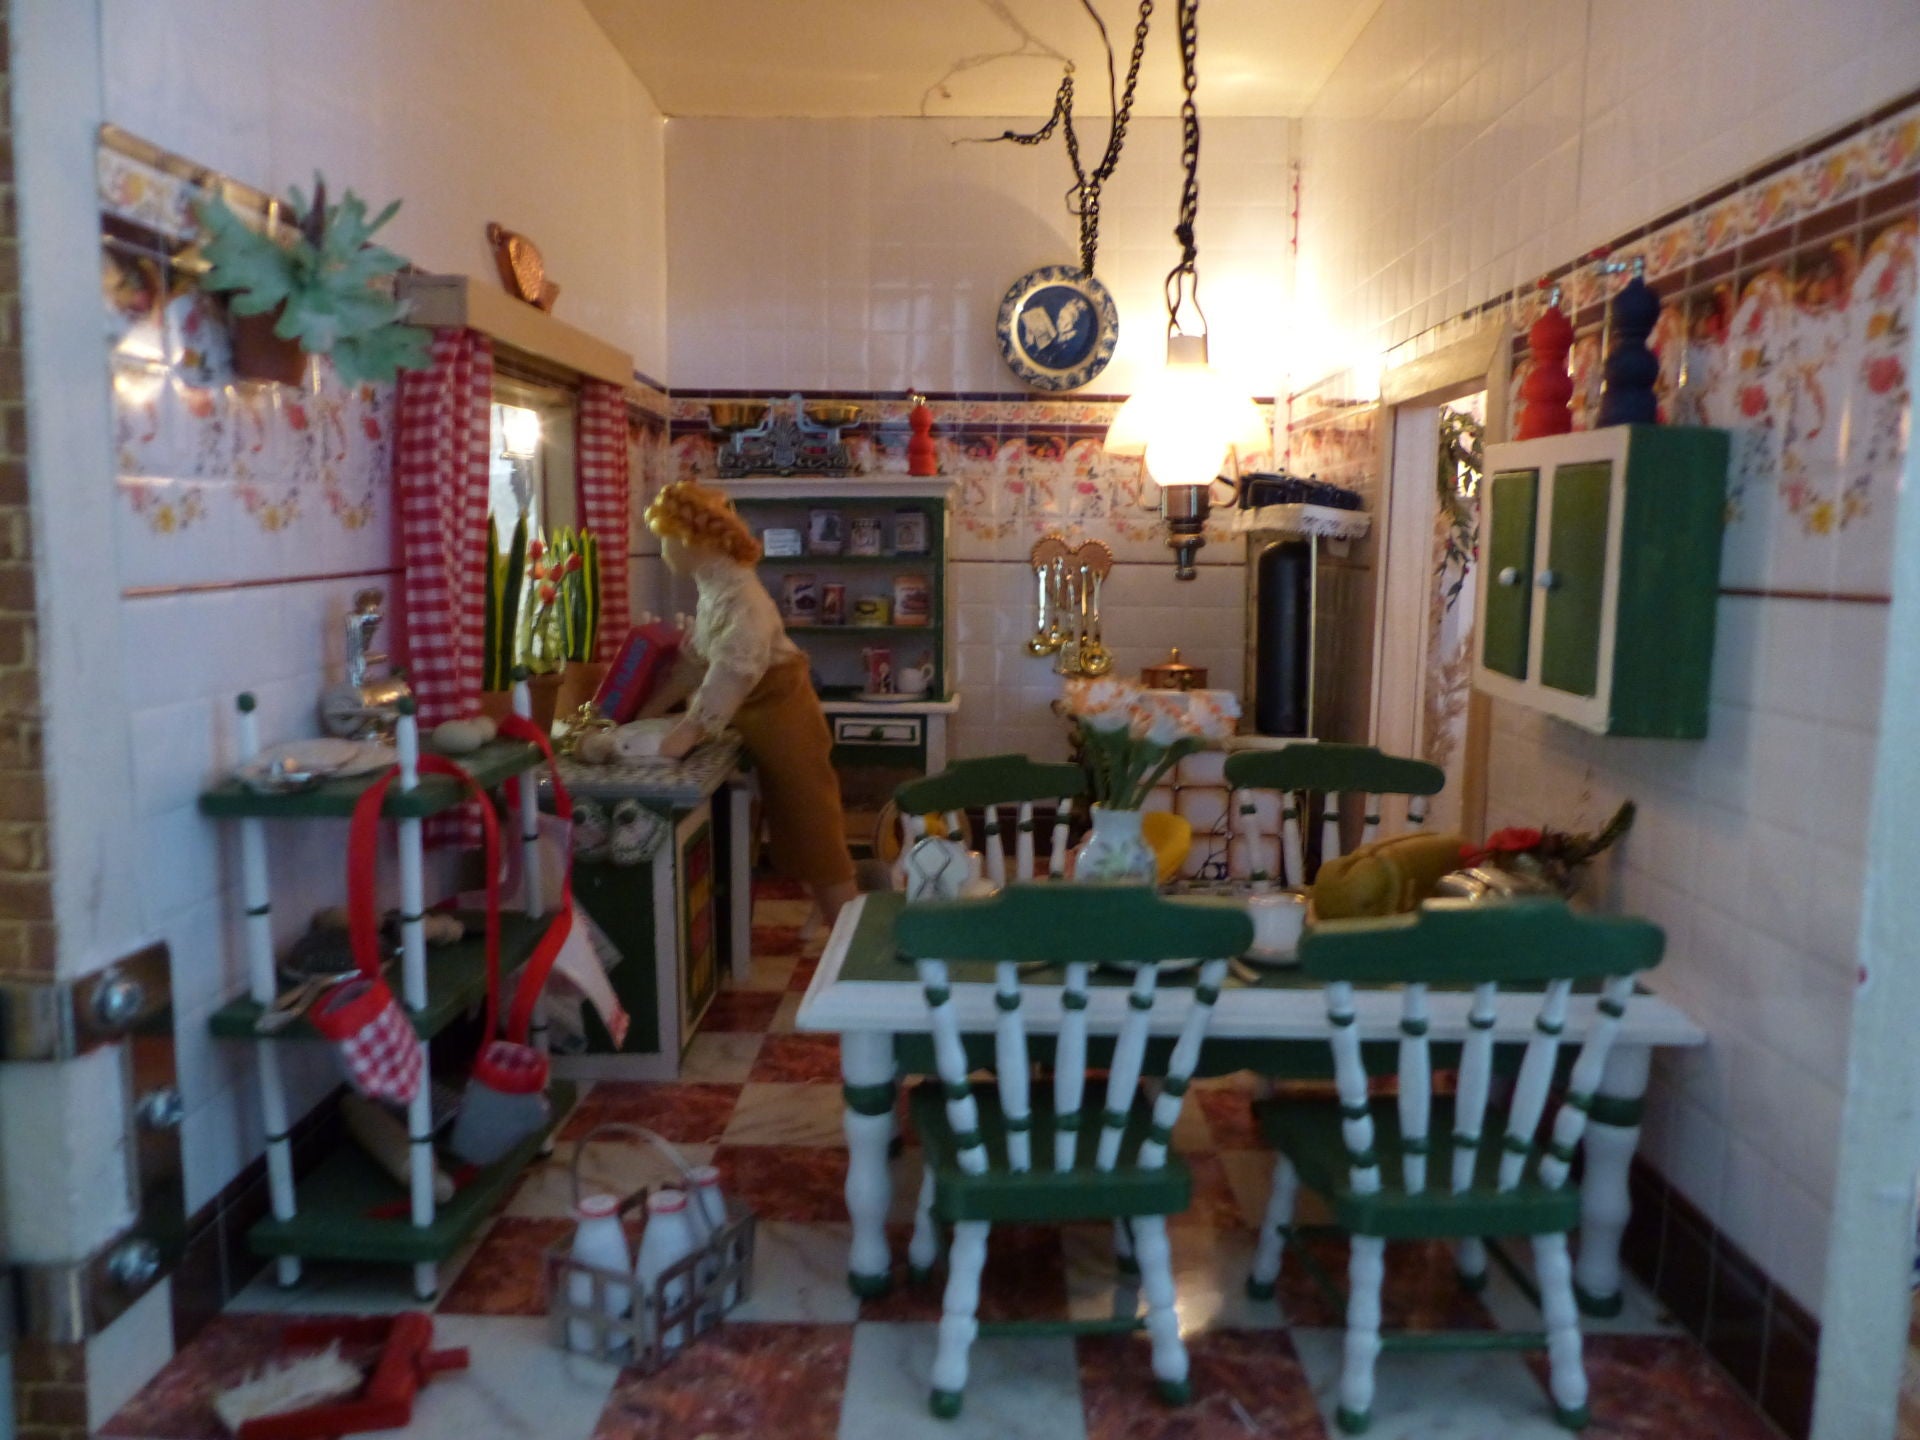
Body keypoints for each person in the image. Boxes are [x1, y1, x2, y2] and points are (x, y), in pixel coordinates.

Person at [643, 481, 858, 922]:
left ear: (690, 539)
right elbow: (696, 662)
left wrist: (690, 729)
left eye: (665, 539)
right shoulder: (715, 589)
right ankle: (833, 915)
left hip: (786, 716)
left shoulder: (742, 598)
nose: (663, 550)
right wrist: (645, 713)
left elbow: (733, 672)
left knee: (813, 824)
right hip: (755, 718)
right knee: (792, 826)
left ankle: (850, 926)